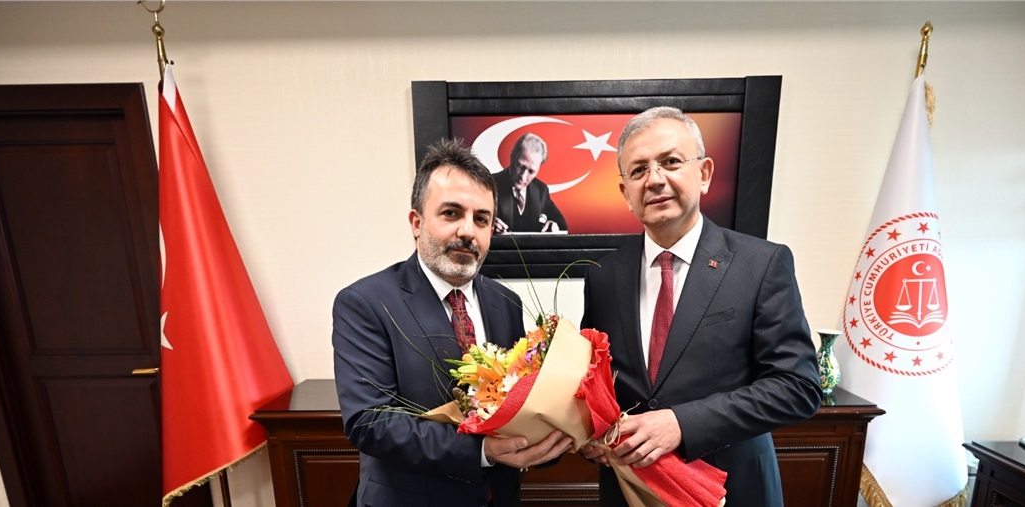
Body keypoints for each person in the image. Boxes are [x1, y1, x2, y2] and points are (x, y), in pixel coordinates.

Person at [578, 107, 822, 507]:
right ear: (625, 193)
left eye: (671, 162)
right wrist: (588, 431)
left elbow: (798, 387)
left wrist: (682, 423)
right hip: (630, 490)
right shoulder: (603, 275)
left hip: (732, 490)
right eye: (638, 171)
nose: (654, 179)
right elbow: (595, 380)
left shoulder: (761, 264)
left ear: (704, 173)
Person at [333, 139, 574, 507]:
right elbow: (371, 422)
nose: (468, 231)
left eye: (482, 219)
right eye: (451, 213)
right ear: (416, 223)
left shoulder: (505, 302)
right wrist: (483, 452)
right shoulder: (365, 302)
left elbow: (515, 400)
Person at [493, 133, 568, 234]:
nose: (523, 176)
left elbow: (562, 226)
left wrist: (554, 225)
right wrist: (488, 224)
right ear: (512, 157)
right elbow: (474, 219)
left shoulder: (541, 190)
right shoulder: (489, 184)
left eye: (531, 171)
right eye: (520, 166)